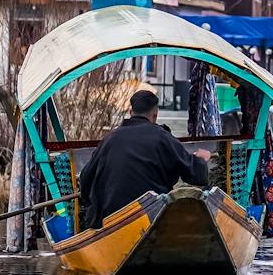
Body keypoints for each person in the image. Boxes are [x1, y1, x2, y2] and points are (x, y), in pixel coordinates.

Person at [76, 87, 208, 227]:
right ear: (155, 115)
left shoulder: (109, 139)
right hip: (152, 217)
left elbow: (86, 180)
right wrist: (200, 159)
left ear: (131, 112)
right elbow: (196, 175)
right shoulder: (162, 138)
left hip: (109, 219)